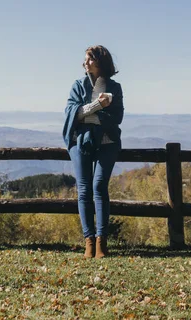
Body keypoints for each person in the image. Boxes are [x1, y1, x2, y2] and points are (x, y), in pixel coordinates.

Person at [63, 45, 124, 259]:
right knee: (84, 189)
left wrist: (86, 113)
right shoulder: (77, 86)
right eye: (85, 59)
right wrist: (97, 106)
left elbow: (115, 118)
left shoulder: (114, 88)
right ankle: (88, 241)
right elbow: (72, 113)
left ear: (100, 61)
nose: (85, 63)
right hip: (79, 142)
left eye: (90, 59)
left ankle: (101, 242)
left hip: (107, 142)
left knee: (99, 186)